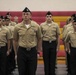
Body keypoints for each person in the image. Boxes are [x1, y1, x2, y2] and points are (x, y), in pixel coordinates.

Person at [13, 7, 42, 75]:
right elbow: (15, 40)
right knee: (22, 71)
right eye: (24, 14)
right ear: (22, 16)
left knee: (32, 71)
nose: (25, 15)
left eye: (27, 14)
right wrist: (16, 53)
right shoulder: (17, 27)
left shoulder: (36, 26)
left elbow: (39, 38)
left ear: (30, 15)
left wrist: (38, 51)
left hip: (32, 51)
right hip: (22, 51)